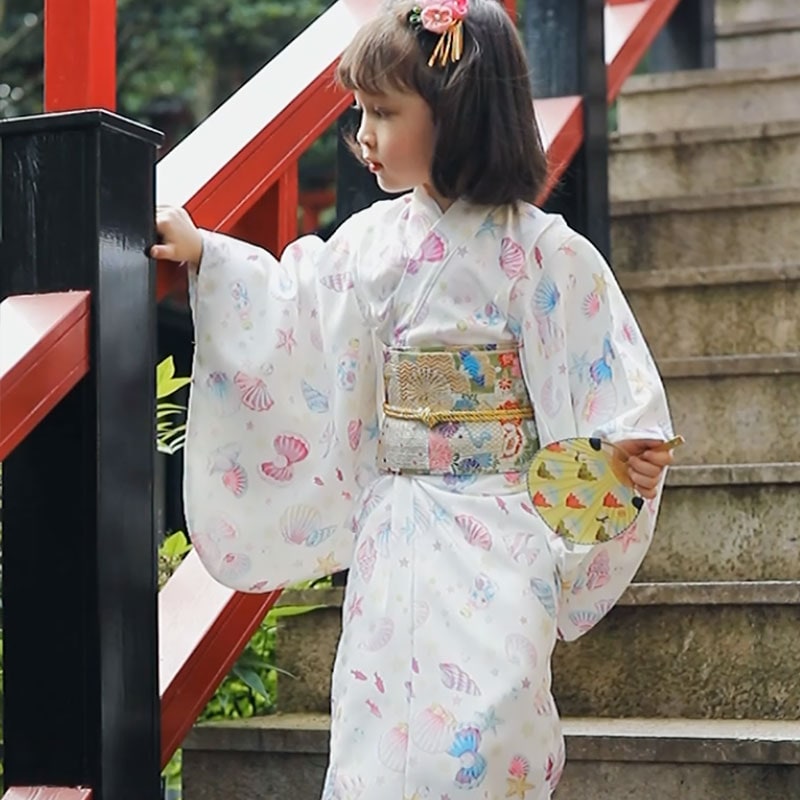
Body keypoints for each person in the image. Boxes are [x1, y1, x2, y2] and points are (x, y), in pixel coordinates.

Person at [153, 1, 675, 797]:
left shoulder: (544, 252)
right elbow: (292, 305)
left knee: (492, 730)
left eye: (384, 112)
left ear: (459, 115)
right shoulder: (370, 245)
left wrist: (624, 452)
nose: (362, 133)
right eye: (360, 110)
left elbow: (608, 375)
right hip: (397, 530)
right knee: (381, 732)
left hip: (503, 524)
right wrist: (209, 258)